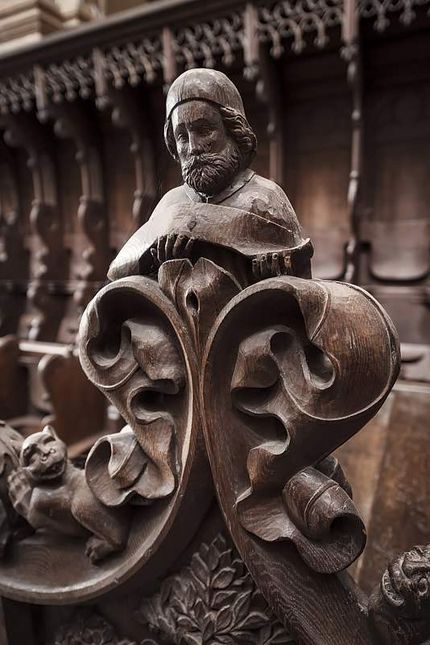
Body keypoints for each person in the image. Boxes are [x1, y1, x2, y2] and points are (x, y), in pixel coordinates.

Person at [108, 68, 312, 286]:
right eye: (182, 137)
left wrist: (273, 278)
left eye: (204, 130)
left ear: (233, 130)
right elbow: (124, 274)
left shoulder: (265, 198)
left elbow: (302, 283)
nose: (194, 147)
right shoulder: (170, 204)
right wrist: (162, 265)